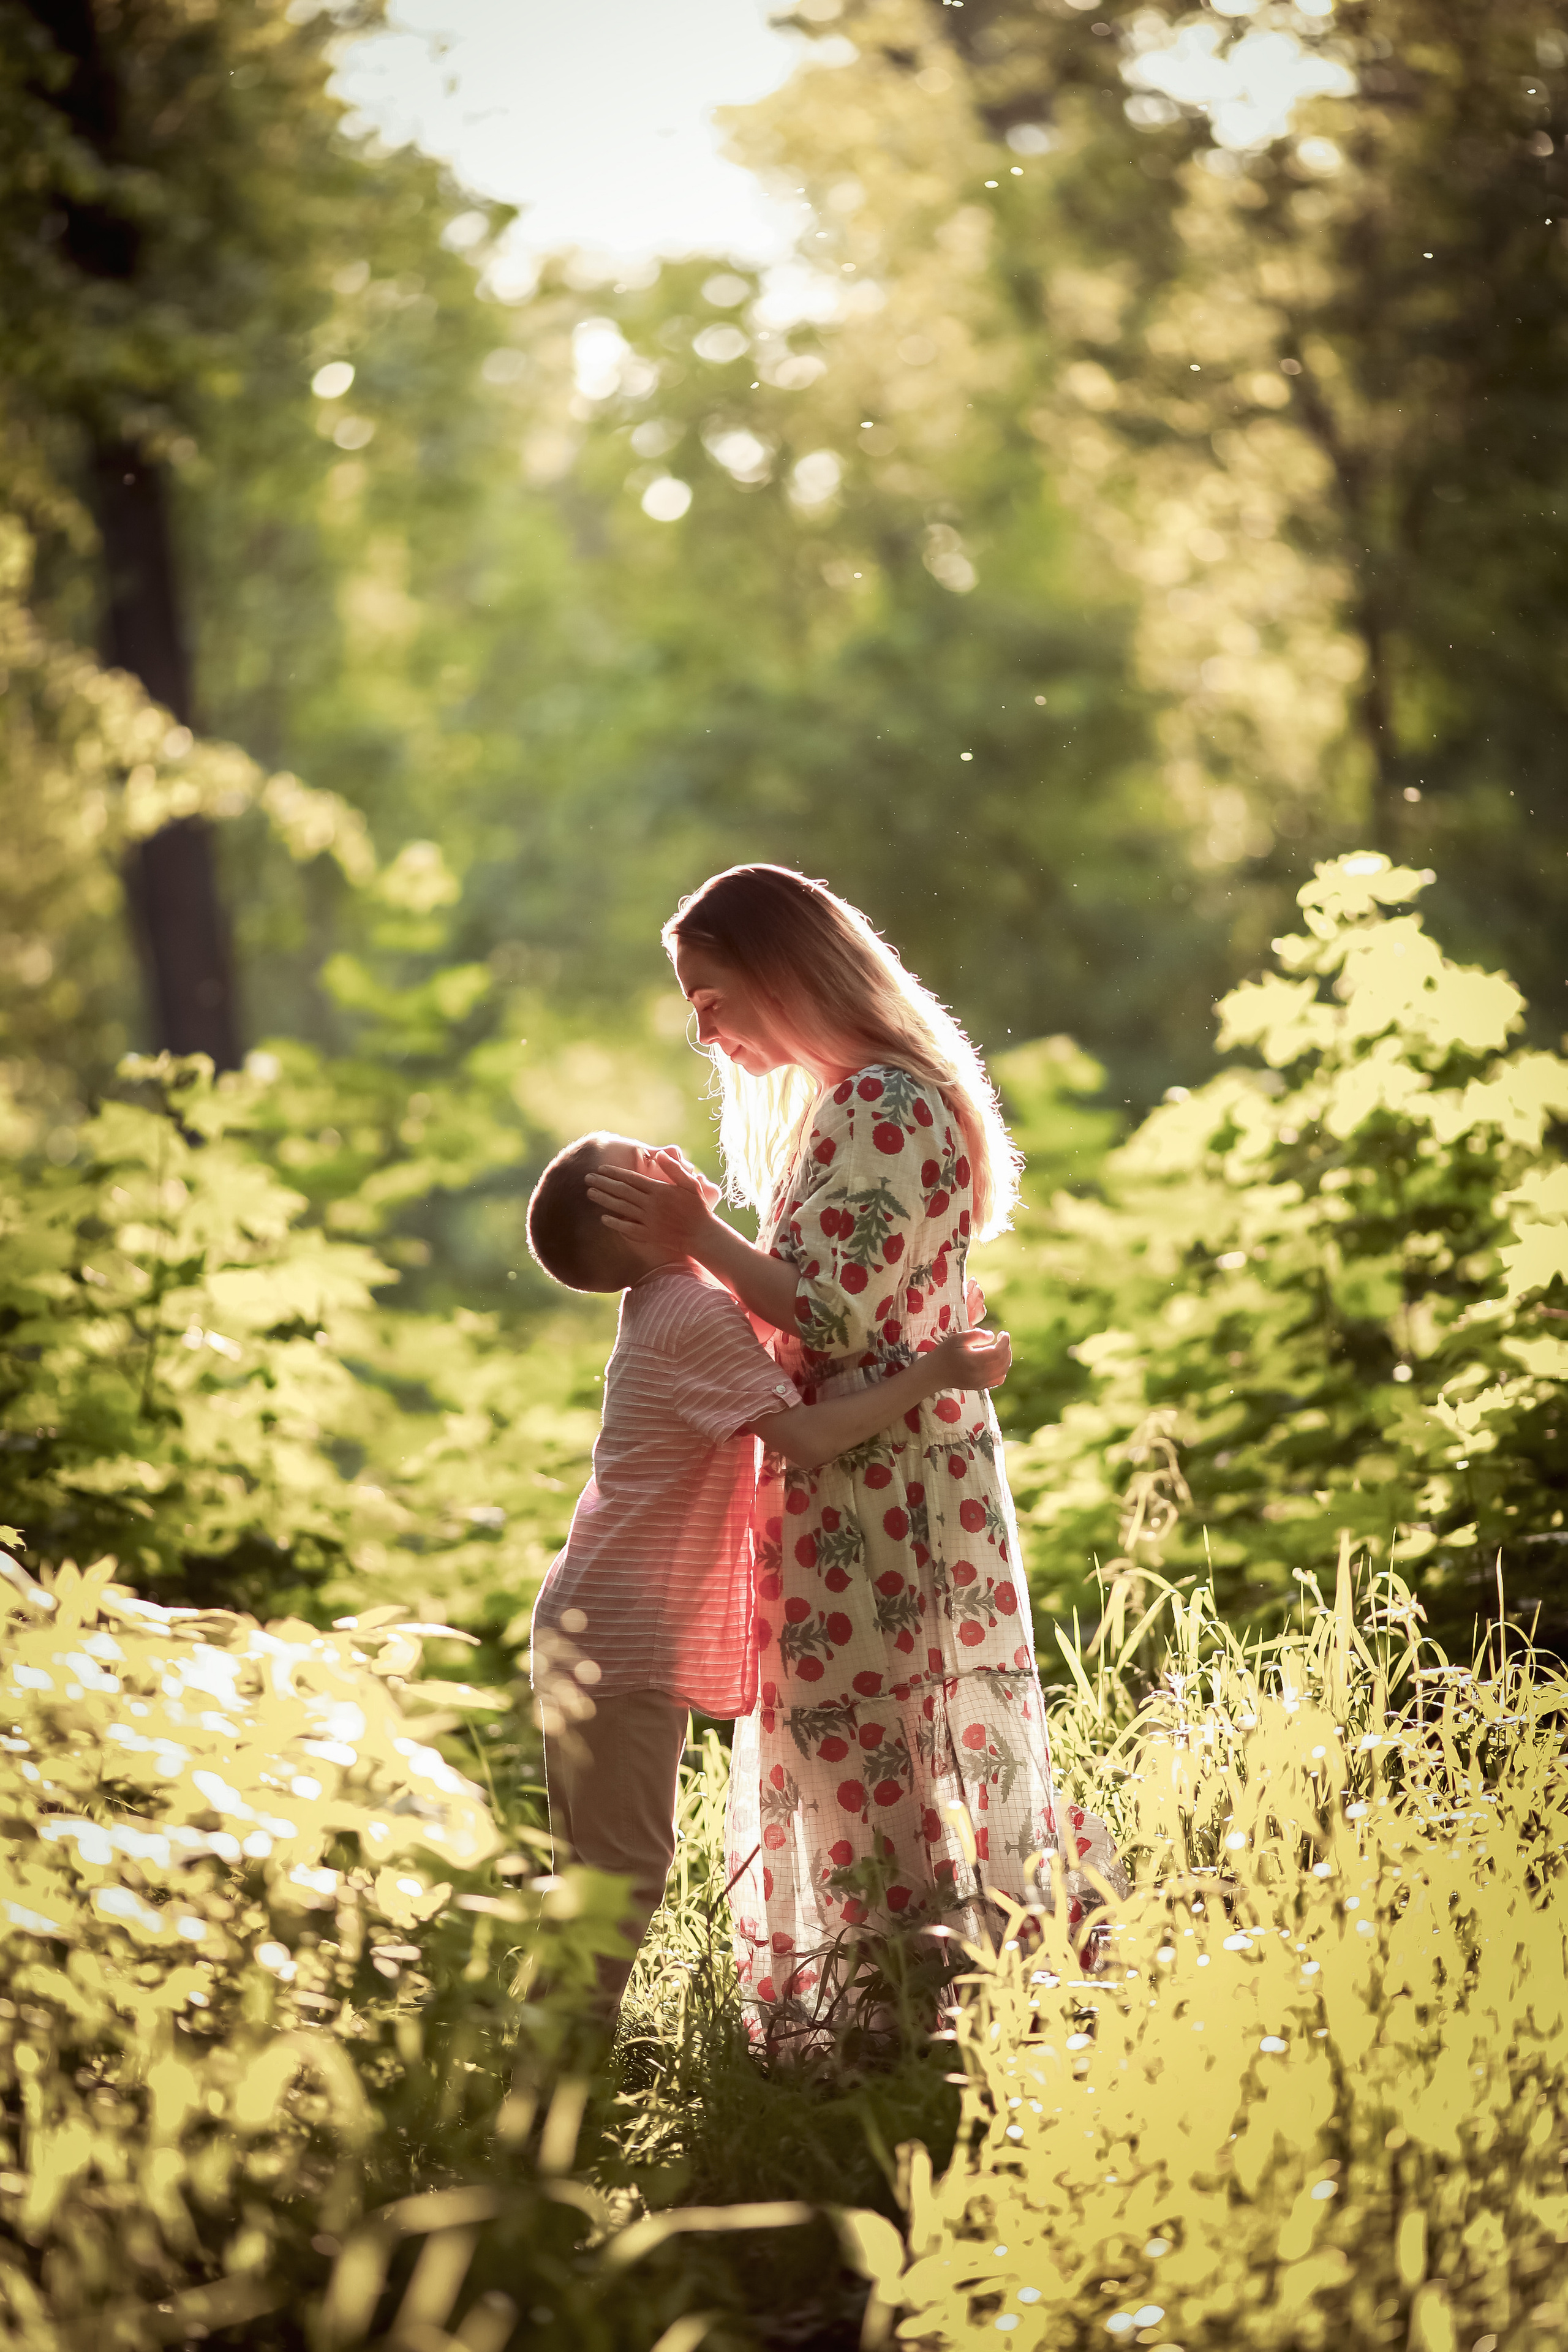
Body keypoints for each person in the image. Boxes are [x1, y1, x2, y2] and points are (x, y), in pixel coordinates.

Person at [587, 865, 1125, 2048]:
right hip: (867, 1462)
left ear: (783, 972)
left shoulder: (883, 1103)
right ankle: (912, 2006)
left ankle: (930, 2011)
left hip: (883, 1480)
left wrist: (698, 1238)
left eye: (713, 994)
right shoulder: (859, 1101)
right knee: (873, 1747)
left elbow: (834, 1316)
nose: (702, 1026)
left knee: (883, 1740)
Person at [526, 1127, 1013, 2015]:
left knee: (594, 1876)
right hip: (615, 1637)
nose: (675, 1153)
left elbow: (812, 1322)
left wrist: (915, 1316)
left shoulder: (689, 1294)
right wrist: (936, 1370)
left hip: (600, 1624)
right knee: (620, 1878)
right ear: (637, 1224)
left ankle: (519, 2083)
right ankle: (545, 2101)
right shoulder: (686, 1312)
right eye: (650, 1164)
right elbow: (805, 1434)